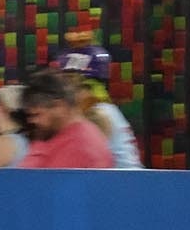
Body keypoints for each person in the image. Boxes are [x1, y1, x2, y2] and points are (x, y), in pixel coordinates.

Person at [54, 32, 143, 169]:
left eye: (68, 82)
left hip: (122, 184)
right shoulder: (102, 108)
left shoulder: (98, 113)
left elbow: (83, 161)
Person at [17, 69, 113, 169]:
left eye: (36, 115)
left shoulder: (78, 145)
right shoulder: (57, 137)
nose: (32, 121)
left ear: (59, 106)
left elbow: (38, 182)